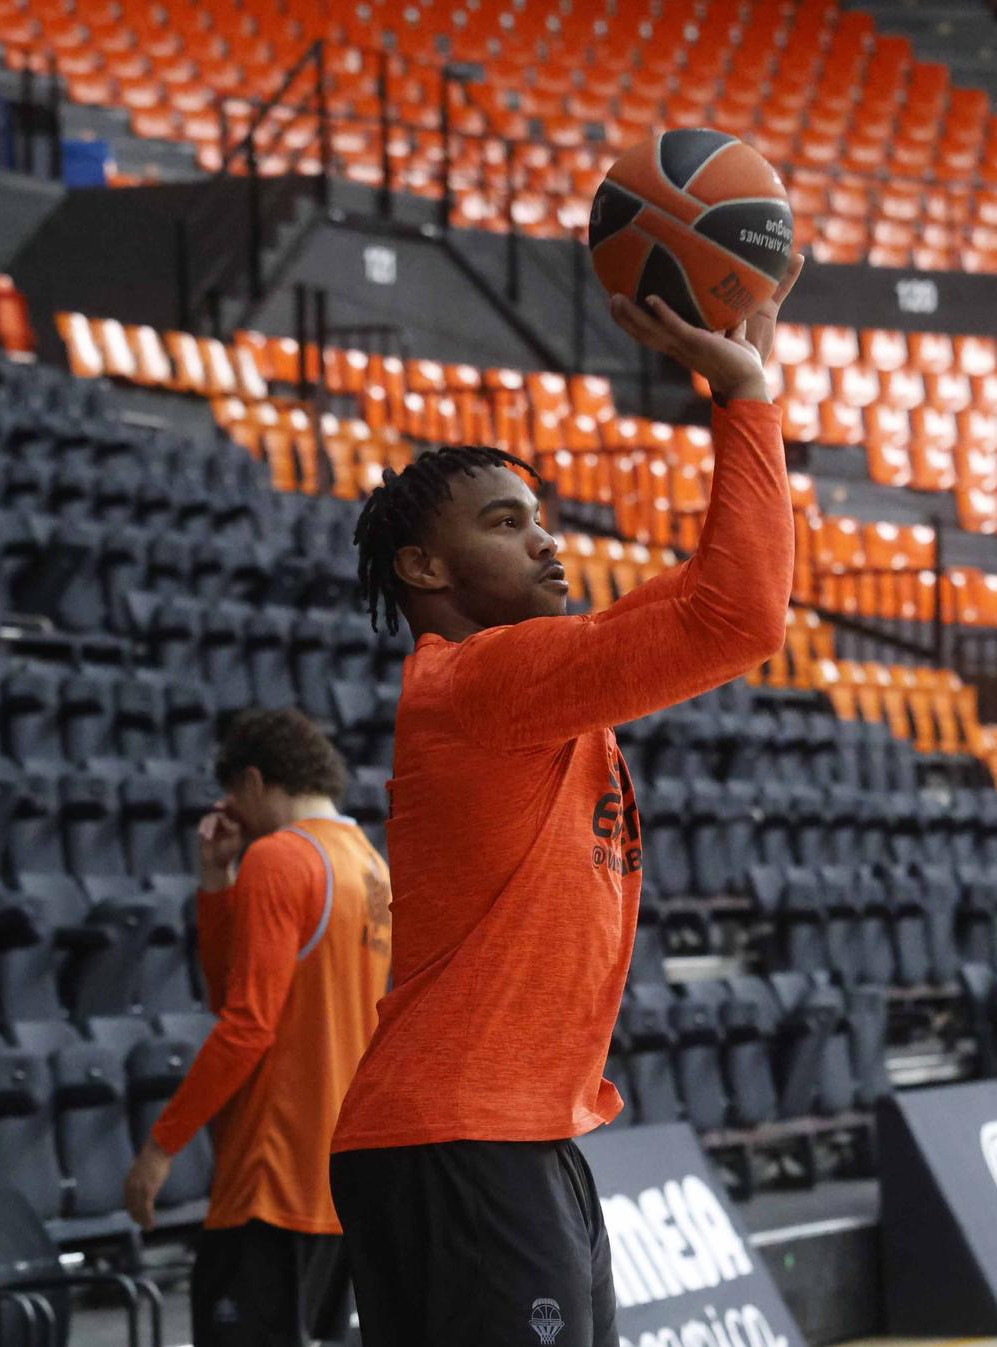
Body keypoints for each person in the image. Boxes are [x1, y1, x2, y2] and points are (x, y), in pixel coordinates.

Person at [327, 255, 804, 1347]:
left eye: (539, 515)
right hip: (461, 1136)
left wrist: (750, 381)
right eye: (503, 523)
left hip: (511, 1134)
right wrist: (741, 399)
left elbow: (710, 595)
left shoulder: (530, 685)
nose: (545, 538)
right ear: (422, 568)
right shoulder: (482, 681)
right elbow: (738, 618)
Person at [123, 707, 392, 1347]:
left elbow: (244, 1026)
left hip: (272, 1178)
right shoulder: (372, 864)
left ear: (250, 780)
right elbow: (240, 993)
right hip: (341, 1186)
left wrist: (162, 1146)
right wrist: (217, 881)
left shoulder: (280, 858)